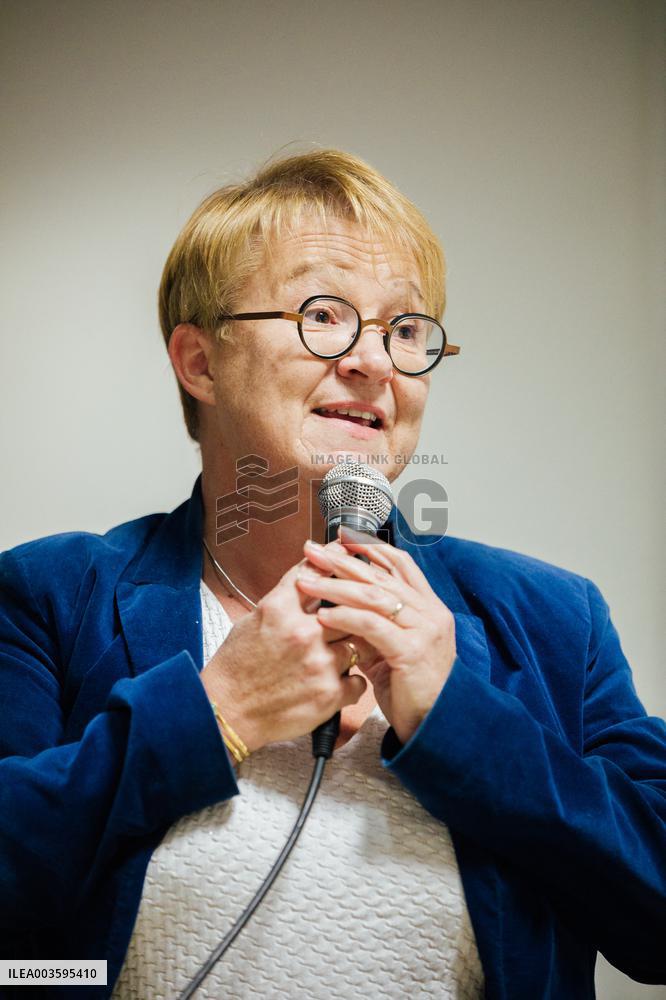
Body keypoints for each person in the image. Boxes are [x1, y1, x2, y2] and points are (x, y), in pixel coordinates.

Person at [1, 149, 664, 1000]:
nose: (375, 363)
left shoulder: (552, 619)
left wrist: (458, 718)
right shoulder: (53, 597)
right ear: (198, 361)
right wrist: (216, 713)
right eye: (325, 315)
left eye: (406, 330)